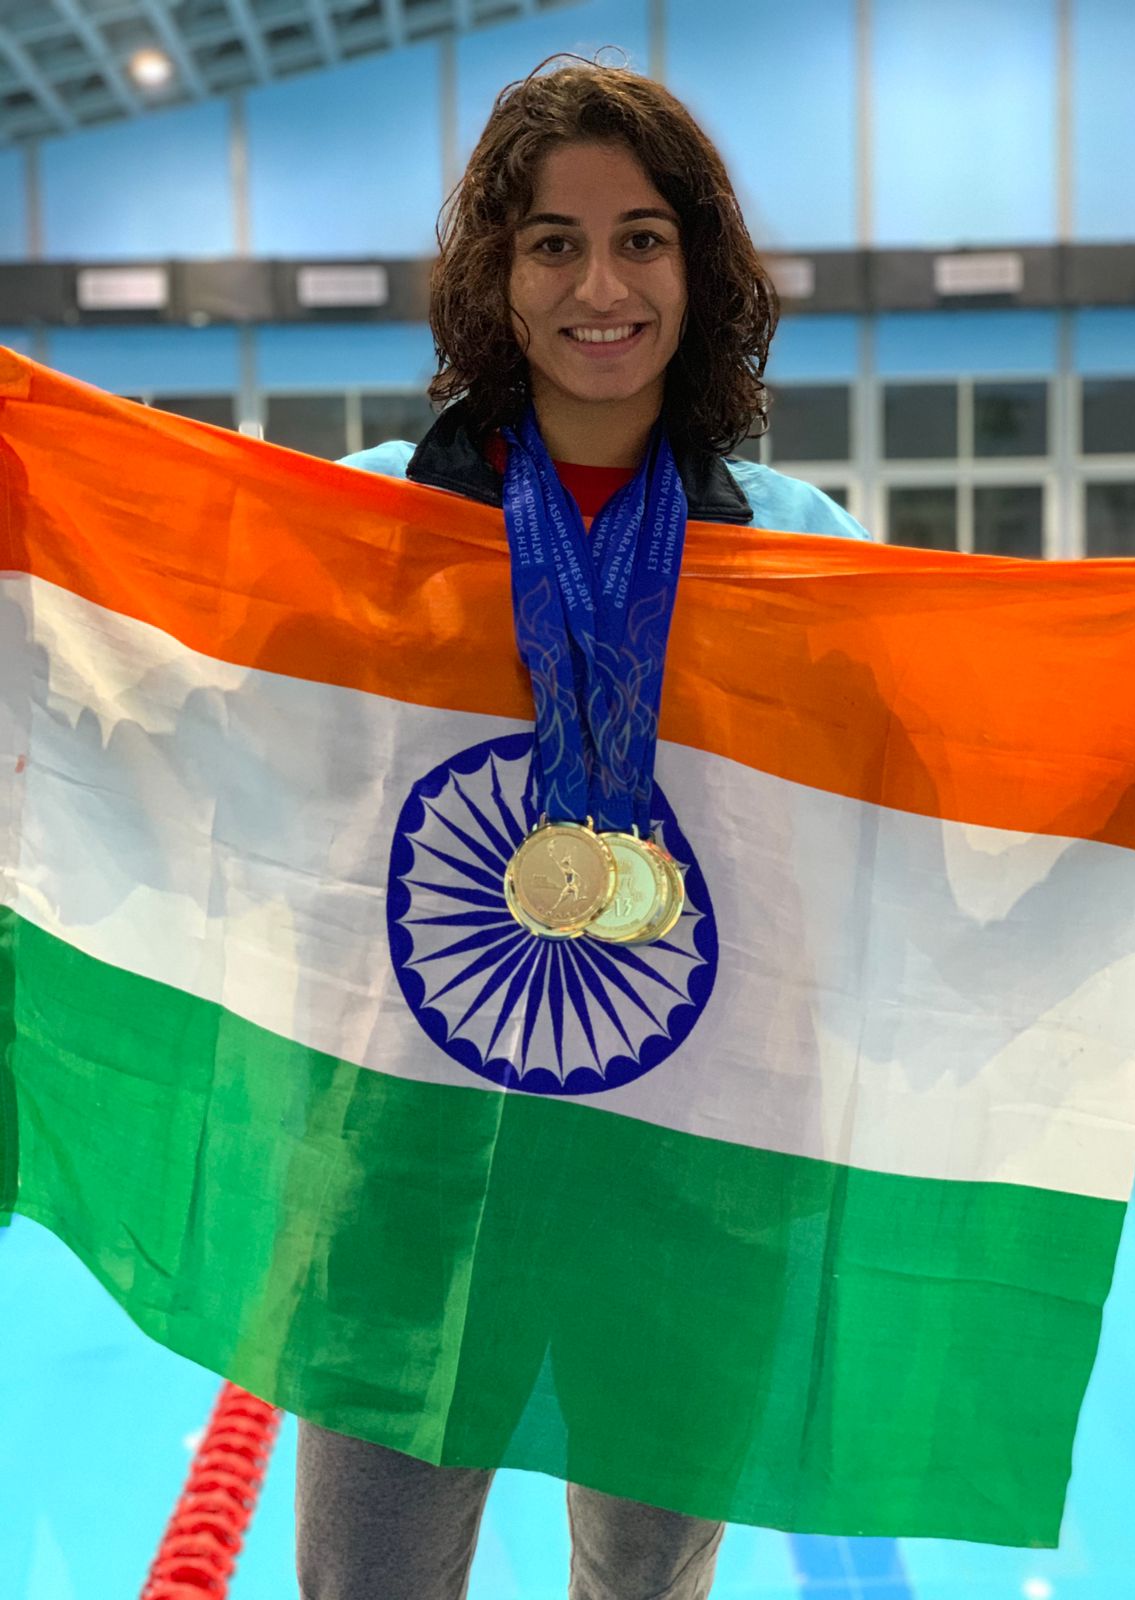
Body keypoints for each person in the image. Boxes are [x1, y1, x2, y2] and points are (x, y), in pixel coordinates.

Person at [298, 55, 870, 1600]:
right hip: (412, 1175)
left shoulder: (796, 547)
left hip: (685, 1179)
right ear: (498, 271)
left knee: (647, 1587)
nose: (599, 286)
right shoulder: (376, 524)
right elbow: (182, 694)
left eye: (641, 239)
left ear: (700, 267)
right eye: (554, 241)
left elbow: (936, 767)